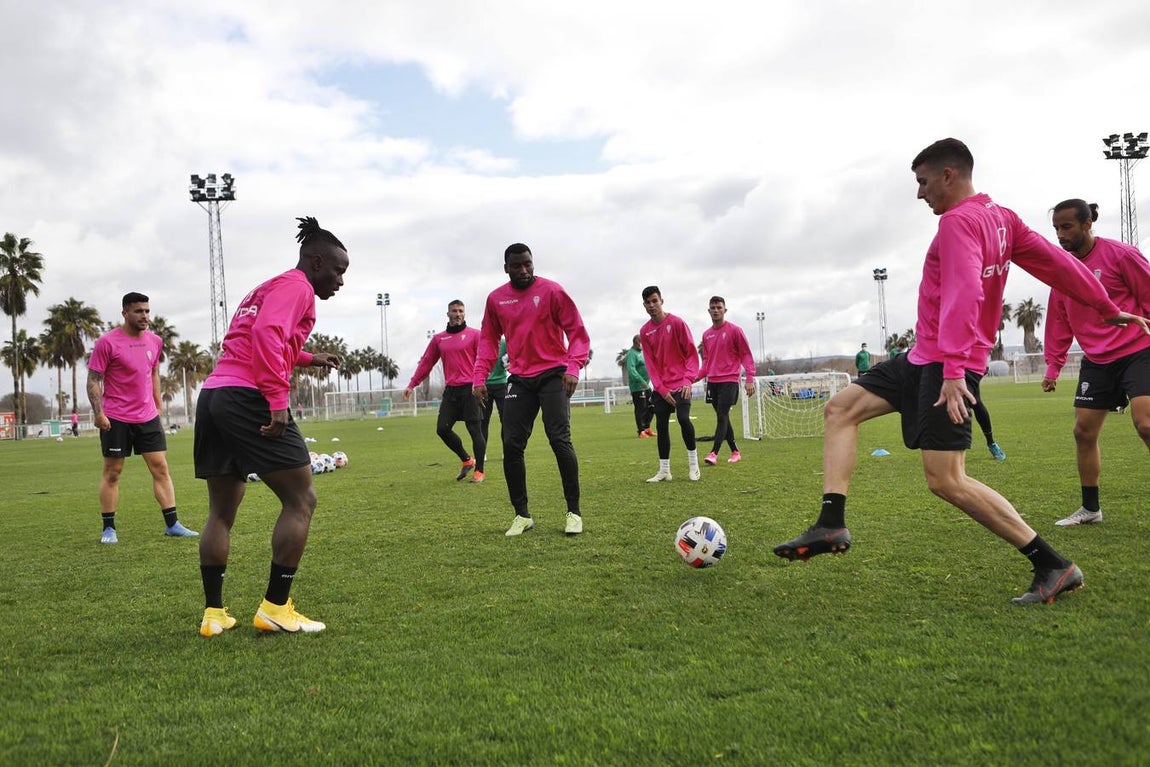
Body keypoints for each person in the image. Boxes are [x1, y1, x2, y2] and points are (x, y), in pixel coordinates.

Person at [772, 138, 1148, 605]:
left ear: (949, 175)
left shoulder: (957, 223)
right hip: (920, 359)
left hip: (946, 364)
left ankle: (1053, 564)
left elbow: (966, 292)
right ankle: (831, 523)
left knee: (946, 479)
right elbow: (1060, 267)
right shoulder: (1002, 218)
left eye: (923, 182)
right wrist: (1106, 306)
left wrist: (953, 370)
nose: (919, 193)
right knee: (840, 408)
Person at [193, 216, 347, 637]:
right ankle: (276, 607)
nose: (340, 280)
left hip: (214, 396)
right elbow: (267, 336)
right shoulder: (298, 288)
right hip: (250, 396)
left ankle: (214, 614)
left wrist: (312, 358)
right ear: (316, 261)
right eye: (338, 270)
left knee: (220, 512)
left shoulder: (269, 286)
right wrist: (277, 400)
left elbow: (258, 338)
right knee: (301, 500)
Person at [1043, 199, 1150, 527]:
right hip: (1097, 359)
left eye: (1067, 227)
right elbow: (1059, 320)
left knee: (1146, 423)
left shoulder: (1121, 255)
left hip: (1138, 348)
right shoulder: (1062, 270)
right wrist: (1053, 365)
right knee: (1083, 432)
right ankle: (1091, 509)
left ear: (1088, 224)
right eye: (1056, 229)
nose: (1061, 235)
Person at [472, 243, 590, 537]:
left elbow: (577, 333)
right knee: (511, 444)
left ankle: (573, 512)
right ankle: (522, 516)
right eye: (517, 266)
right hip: (520, 379)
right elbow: (488, 340)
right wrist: (479, 377)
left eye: (528, 264)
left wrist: (573, 368)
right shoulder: (496, 299)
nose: (523, 270)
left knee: (559, 439)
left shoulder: (552, 291)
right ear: (506, 268)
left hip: (554, 374)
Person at [87, 291, 197, 544]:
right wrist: (98, 413)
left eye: (147, 311)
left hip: (147, 417)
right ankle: (109, 529)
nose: (145, 316)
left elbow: (154, 372)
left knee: (161, 468)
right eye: (139, 311)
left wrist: (157, 405)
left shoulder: (155, 341)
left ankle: (173, 524)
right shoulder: (108, 342)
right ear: (125, 313)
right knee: (113, 472)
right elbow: (94, 379)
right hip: (115, 418)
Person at [404, 300, 487, 483]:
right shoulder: (439, 339)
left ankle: (479, 471)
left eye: (460, 311)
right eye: (454, 311)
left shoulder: (475, 335)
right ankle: (467, 460)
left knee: (475, 430)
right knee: (442, 429)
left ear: (464, 314)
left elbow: (484, 359)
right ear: (448, 314)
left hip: (471, 390)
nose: (457, 314)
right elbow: (426, 362)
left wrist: (481, 382)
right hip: (451, 391)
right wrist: (412, 384)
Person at [639, 286, 701, 483]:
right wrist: (661, 388)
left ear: (661, 301)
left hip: (681, 383)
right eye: (648, 303)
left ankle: (694, 465)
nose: (652, 305)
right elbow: (650, 363)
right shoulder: (645, 331)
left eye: (654, 301)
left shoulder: (677, 323)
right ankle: (664, 470)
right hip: (662, 388)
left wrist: (688, 379)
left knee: (683, 419)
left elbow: (691, 354)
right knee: (661, 426)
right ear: (644, 305)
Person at [698, 296, 755, 466]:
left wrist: (750, 377)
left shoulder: (735, 330)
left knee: (722, 416)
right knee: (723, 417)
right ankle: (735, 451)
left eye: (719, 307)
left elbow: (746, 354)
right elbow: (706, 362)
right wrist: (692, 378)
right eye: (712, 308)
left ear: (725, 310)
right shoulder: (706, 335)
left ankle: (713, 453)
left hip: (729, 380)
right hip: (713, 382)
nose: (716, 310)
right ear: (709, 311)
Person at [480, 337, 509, 456]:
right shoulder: (481, 342)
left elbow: (512, 357)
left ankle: (507, 450)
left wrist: (508, 362)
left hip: (501, 384)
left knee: (506, 419)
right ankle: (482, 452)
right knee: (483, 420)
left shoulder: (504, 343)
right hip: (484, 386)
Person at [623, 334, 656, 438]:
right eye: (641, 342)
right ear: (636, 342)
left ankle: (647, 427)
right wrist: (641, 380)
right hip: (638, 387)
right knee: (641, 408)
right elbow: (631, 370)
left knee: (652, 405)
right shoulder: (631, 354)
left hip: (646, 385)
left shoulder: (643, 352)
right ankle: (641, 430)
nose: (643, 345)